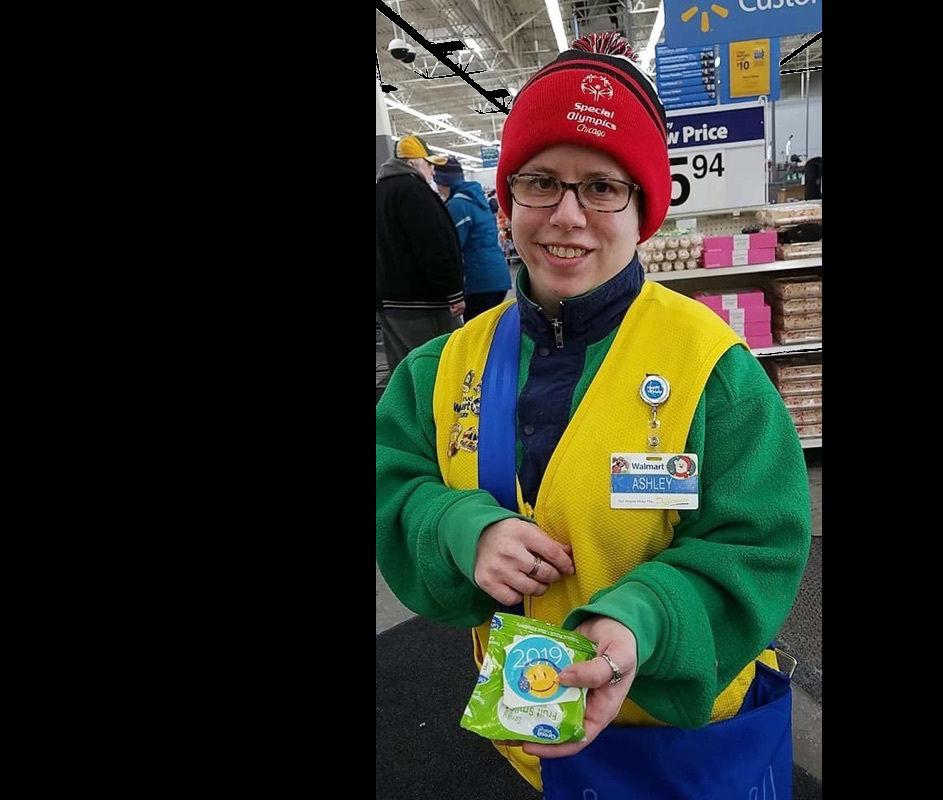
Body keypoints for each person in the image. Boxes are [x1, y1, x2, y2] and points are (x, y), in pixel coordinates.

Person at [376, 32, 810, 797]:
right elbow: (394, 486)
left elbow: (759, 544)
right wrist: (458, 526)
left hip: (678, 731)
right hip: (526, 723)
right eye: (540, 182)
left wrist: (644, 616)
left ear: (643, 205)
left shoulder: (712, 370)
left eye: (603, 186)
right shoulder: (438, 371)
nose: (566, 217)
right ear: (506, 202)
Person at [375, 134, 465, 372]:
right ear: (414, 162)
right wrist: (453, 291)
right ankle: (434, 411)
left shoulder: (380, 191)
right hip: (421, 303)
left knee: (403, 371)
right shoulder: (414, 192)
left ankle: (404, 410)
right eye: (429, 164)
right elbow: (433, 245)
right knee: (436, 367)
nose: (433, 171)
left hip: (387, 302)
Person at [433, 158, 513, 322]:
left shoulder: (457, 206)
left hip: (478, 279)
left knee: (477, 333)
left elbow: (452, 248)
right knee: (489, 328)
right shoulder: (477, 200)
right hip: (497, 275)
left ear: (443, 181)